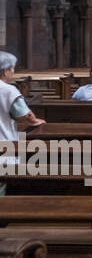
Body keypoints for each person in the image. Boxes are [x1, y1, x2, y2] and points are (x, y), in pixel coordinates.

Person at [0, 51, 45, 196]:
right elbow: (25, 114)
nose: (13, 72)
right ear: (5, 71)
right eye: (12, 69)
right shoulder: (8, 90)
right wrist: (35, 121)